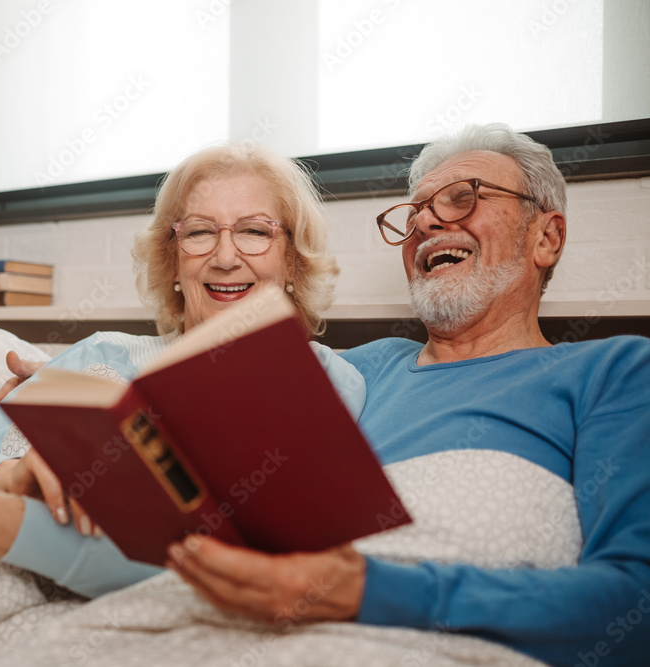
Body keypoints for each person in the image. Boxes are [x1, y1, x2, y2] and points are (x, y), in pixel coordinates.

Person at [165, 124, 650, 667]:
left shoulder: (611, 372)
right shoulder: (350, 372)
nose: (423, 221)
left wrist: (363, 589)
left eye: (462, 198)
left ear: (546, 237)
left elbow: (637, 604)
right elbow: (198, 417)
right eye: (413, 212)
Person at [0, 141, 366, 598]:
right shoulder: (104, 354)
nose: (225, 256)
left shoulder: (327, 379)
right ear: (174, 261)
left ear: (293, 261)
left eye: (254, 231)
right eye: (200, 232)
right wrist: (12, 473)